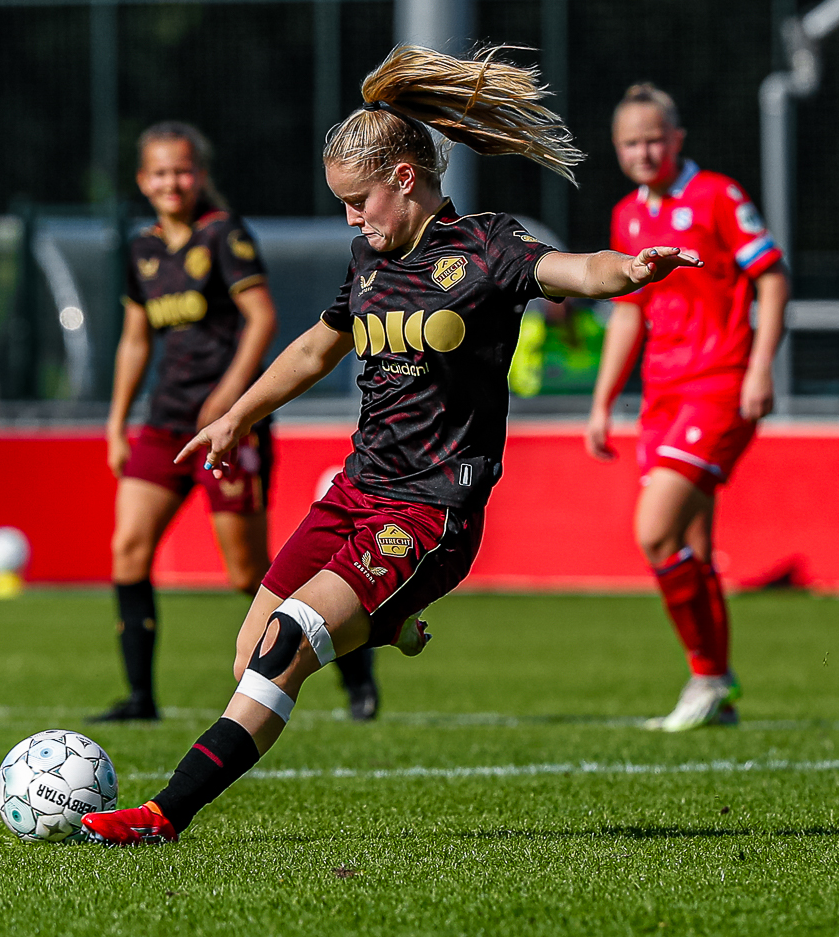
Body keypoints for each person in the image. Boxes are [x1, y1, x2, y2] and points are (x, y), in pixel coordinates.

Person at [79, 46, 701, 845]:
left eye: (357, 200)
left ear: (405, 179)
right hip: (354, 490)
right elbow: (314, 347)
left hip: (430, 508)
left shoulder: (486, 248)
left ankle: (165, 812)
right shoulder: (368, 261)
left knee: (288, 644)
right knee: (248, 659)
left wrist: (633, 270)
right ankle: (386, 621)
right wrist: (235, 413)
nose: (351, 219)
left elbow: (580, 270)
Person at [98, 121, 381, 723]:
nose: (172, 182)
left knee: (248, 574)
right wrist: (117, 420)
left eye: (182, 170)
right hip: (166, 421)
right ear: (143, 181)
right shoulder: (142, 248)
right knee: (127, 549)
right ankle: (141, 697)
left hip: (228, 427)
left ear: (199, 175)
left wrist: (232, 402)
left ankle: (354, 666)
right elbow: (133, 340)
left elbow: (262, 319)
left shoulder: (224, 235)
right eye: (160, 172)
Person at [583, 83, 791, 731]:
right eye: (630, 143)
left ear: (677, 139)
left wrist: (760, 366)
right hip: (664, 393)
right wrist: (602, 401)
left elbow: (772, 276)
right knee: (691, 546)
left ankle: (707, 677)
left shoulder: (718, 196)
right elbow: (629, 313)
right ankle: (714, 687)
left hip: (720, 382)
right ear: (617, 150)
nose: (644, 151)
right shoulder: (627, 216)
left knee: (654, 529)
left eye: (654, 139)